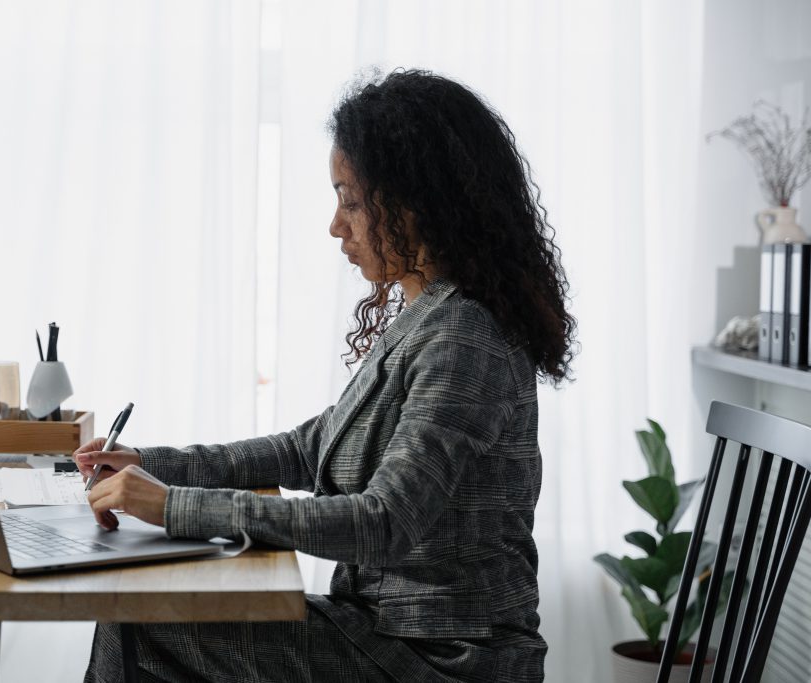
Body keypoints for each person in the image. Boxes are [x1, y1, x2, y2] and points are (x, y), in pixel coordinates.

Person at [76, 68, 575, 683]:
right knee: (137, 615)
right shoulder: (429, 316)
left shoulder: (465, 337)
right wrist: (151, 465)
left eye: (351, 200)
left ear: (415, 204)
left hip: (443, 661)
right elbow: (309, 448)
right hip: (381, 636)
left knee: (135, 618)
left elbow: (382, 522)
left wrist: (174, 506)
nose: (336, 225)